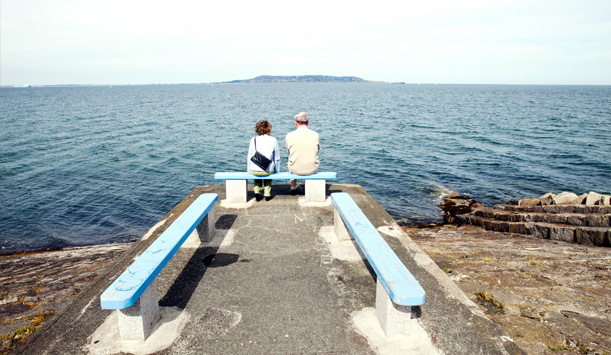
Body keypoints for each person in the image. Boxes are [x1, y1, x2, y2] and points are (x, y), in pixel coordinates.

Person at [285, 112, 320, 195]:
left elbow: (289, 151)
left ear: (296, 123)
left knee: (291, 158)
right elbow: (317, 150)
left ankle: (293, 187)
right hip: (312, 169)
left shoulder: (289, 135)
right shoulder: (315, 135)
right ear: (307, 122)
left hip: (295, 169)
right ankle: (310, 188)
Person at [247, 120, 280, 201]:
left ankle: (257, 192)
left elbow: (250, 156)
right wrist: (277, 170)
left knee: (257, 170)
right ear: (268, 130)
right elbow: (277, 158)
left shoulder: (253, 139)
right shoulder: (273, 140)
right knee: (268, 172)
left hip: (254, 170)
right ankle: (267, 194)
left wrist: (248, 169)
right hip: (268, 170)